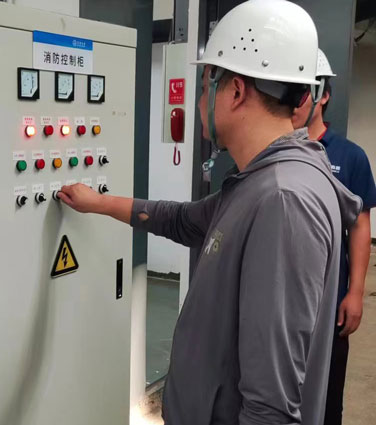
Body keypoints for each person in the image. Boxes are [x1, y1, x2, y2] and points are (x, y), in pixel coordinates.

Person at [57, 0, 362, 423]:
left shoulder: (283, 200)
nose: (200, 102)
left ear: (235, 91)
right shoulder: (261, 181)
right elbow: (183, 220)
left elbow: (271, 406)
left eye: (205, 87)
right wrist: (99, 202)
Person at [292, 49, 376, 425]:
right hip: (281, 298)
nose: (295, 100)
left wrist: (355, 292)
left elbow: (359, 226)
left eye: (305, 91)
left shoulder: (349, 156)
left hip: (329, 300)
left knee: (326, 401)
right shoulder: (275, 149)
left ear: (323, 95)